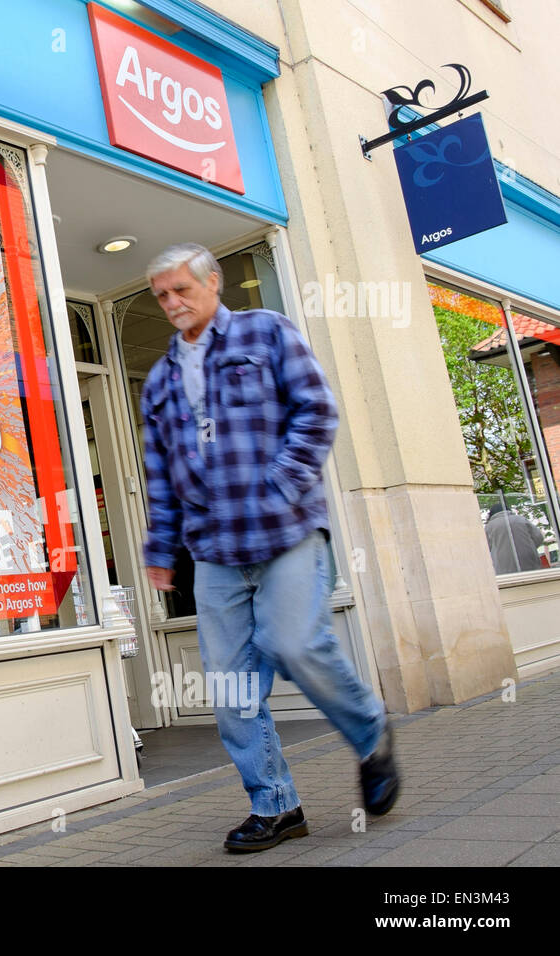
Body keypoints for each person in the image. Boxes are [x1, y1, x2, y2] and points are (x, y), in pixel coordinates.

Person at [140, 243, 399, 852]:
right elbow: (160, 470)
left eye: (182, 289)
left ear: (213, 282)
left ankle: (370, 734)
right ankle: (276, 805)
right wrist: (160, 544)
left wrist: (279, 484)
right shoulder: (160, 380)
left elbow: (317, 410)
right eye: (162, 295)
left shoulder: (267, 332)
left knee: (294, 643)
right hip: (213, 550)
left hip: (285, 533)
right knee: (230, 690)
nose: (173, 303)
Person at [484, 502, 545, 573]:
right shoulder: (521, 519)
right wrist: (529, 547)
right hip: (529, 562)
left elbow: (486, 548)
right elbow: (538, 537)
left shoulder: (489, 527)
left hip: (504, 567)